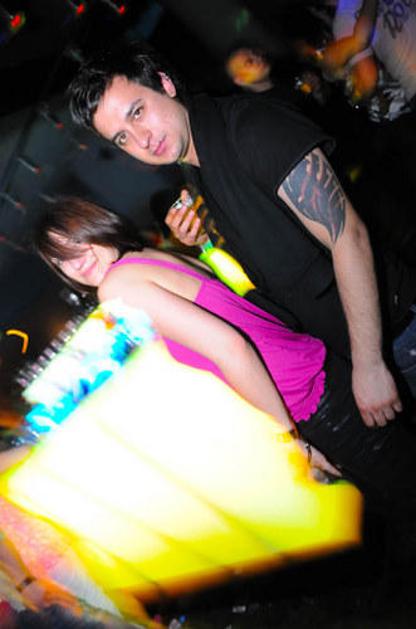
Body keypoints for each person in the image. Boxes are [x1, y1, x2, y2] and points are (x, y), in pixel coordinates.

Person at [67, 41, 416, 430]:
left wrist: (370, 362)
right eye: (122, 137)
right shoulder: (195, 169)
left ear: (164, 84)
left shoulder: (248, 128)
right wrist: (202, 243)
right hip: (345, 354)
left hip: (395, 336)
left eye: (138, 111)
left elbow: (348, 235)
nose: (142, 139)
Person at [33, 197, 416, 517]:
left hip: (306, 405)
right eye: (62, 259)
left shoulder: (116, 286)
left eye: (76, 242)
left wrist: (291, 442)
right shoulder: (150, 256)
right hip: (321, 372)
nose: (77, 261)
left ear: (96, 224)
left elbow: (231, 347)